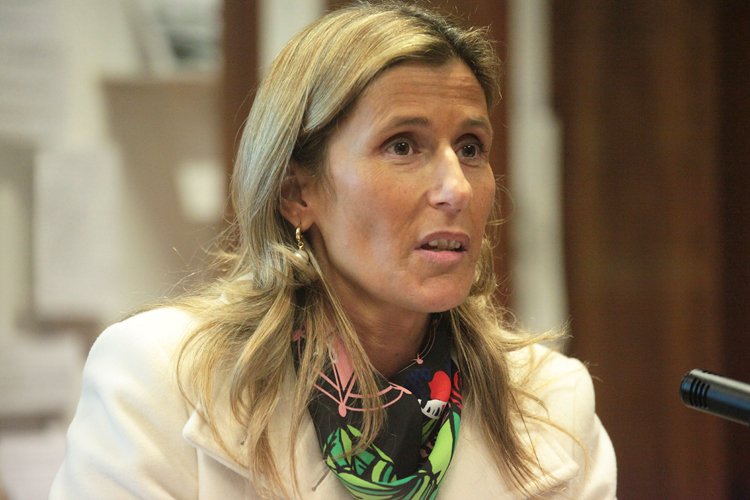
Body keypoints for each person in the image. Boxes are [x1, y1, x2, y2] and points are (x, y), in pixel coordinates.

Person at [50, 2, 616, 498]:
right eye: (403, 146)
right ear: (297, 193)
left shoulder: (551, 402)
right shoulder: (160, 379)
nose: (457, 189)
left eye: (470, 148)